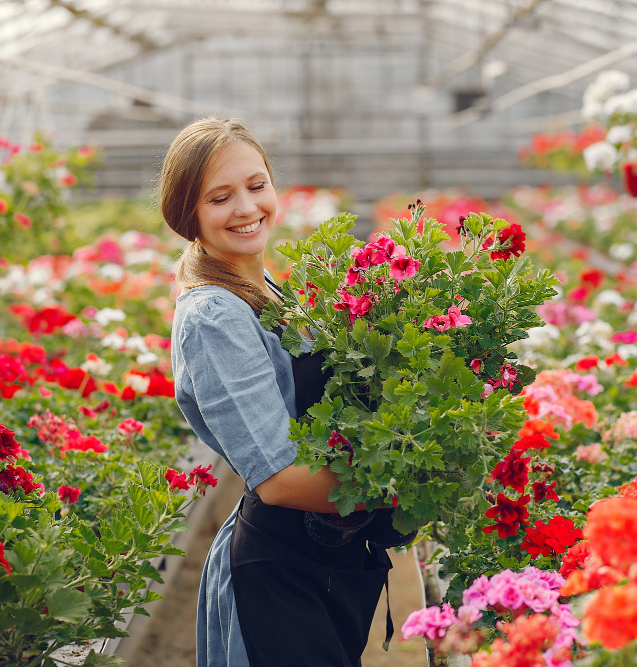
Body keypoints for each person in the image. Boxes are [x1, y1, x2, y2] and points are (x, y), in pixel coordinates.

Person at [163, 117, 391, 667]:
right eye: (220, 197)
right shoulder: (214, 315)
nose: (246, 208)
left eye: (256, 185)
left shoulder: (262, 287)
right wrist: (407, 487)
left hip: (322, 557)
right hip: (280, 575)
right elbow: (281, 480)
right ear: (187, 215)